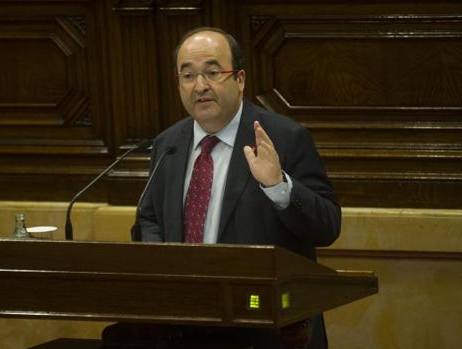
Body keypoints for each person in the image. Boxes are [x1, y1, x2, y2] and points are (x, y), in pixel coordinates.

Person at [137, 27, 341, 349]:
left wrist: (278, 186)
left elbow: (328, 226)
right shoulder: (168, 144)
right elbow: (148, 218)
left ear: (240, 79)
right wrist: (161, 259)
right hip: (185, 328)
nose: (200, 86)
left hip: (270, 331)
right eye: (187, 76)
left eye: (212, 72)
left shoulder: (284, 138)